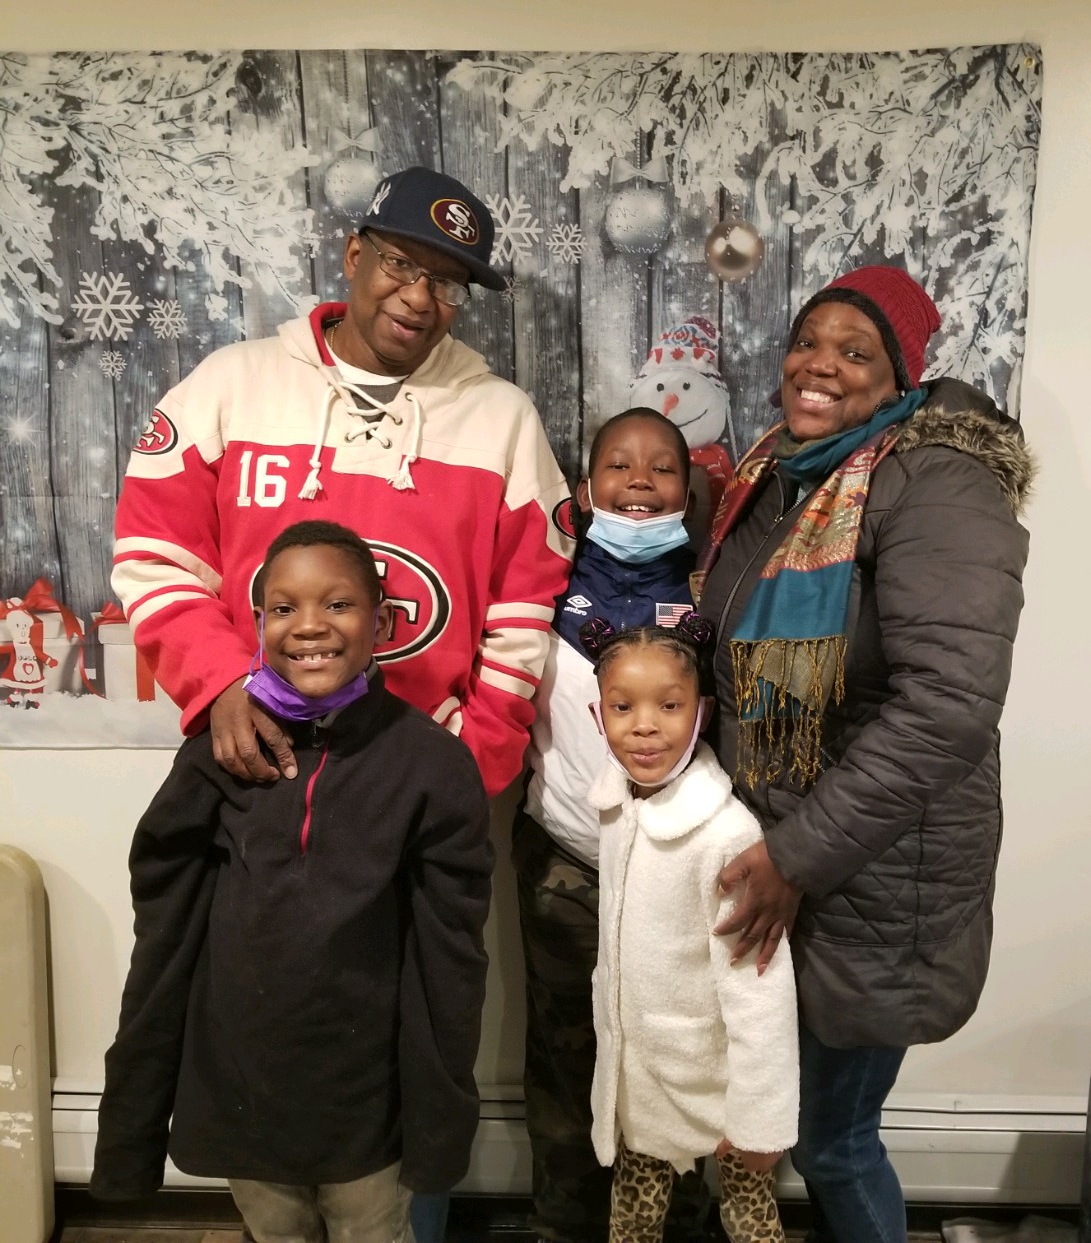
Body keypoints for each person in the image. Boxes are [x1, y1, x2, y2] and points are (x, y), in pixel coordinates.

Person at [694, 265, 1034, 1243]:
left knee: (833, 1138)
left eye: (855, 351)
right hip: (780, 861)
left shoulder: (937, 482)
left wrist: (796, 856)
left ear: (901, 377)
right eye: (809, 341)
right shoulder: (778, 473)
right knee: (779, 1123)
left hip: (869, 877)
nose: (820, 366)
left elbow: (949, 704)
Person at [111, 164, 574, 798]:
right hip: (256, 758)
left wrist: (476, 756)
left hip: (422, 775)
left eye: (446, 283)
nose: (418, 297)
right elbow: (154, 559)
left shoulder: (503, 420)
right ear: (355, 255)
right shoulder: (229, 387)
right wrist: (218, 684)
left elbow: (524, 612)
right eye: (401, 265)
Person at [90, 520, 493, 1243]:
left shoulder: (431, 765)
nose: (309, 626)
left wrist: (436, 1117)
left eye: (337, 605)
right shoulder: (218, 755)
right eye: (284, 608)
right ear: (259, 621)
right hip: (247, 1091)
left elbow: (450, 965)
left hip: (369, 1103)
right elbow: (165, 935)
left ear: (381, 619)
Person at [515, 407, 712, 1243]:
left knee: (680, 1063)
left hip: (678, 869)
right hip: (566, 863)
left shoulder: (715, 586)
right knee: (566, 1060)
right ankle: (566, 1224)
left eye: (661, 468)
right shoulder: (542, 584)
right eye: (620, 466)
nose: (640, 481)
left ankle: (683, 1228)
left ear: (688, 488)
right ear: (586, 487)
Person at [581, 614, 799, 1243]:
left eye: (668, 706)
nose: (644, 725)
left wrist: (760, 1120)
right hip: (642, 1078)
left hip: (718, 1079)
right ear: (599, 717)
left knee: (751, 1220)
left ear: (700, 712)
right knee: (634, 1218)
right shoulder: (617, 808)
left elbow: (760, 988)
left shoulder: (726, 835)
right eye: (623, 707)